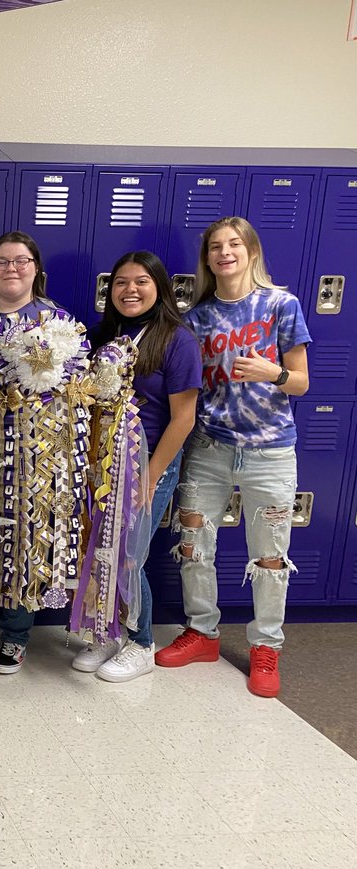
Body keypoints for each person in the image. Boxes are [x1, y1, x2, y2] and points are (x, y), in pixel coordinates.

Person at [156, 217, 310, 698]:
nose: (225, 253)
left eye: (234, 245)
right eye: (215, 247)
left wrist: (273, 372)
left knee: (269, 556)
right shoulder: (197, 317)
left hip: (269, 452)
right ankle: (202, 632)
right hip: (209, 447)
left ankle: (266, 647)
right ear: (207, 259)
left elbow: (302, 382)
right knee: (193, 545)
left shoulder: (282, 305)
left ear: (251, 251)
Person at [72, 251, 200, 682]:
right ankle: (107, 633)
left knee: (129, 555)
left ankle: (141, 644)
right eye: (121, 282)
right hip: (103, 461)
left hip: (147, 462)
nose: (130, 290)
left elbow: (184, 417)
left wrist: (152, 475)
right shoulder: (107, 334)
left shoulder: (176, 339)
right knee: (100, 549)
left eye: (141, 281)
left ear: (159, 287)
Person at [0, 232, 91, 675]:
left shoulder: (58, 322)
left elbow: (76, 393)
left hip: (33, 457)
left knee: (24, 541)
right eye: (2, 261)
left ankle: (16, 637)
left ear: (36, 268)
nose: (12, 269)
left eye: (21, 261)